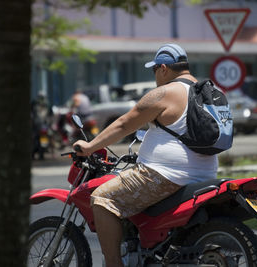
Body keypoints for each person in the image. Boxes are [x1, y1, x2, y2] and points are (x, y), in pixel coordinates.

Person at [73, 44, 218, 267]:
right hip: (206, 174)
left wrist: (90, 147)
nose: (155, 77)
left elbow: (123, 124)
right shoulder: (205, 90)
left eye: (154, 71)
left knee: (102, 199)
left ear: (163, 69)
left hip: (165, 174)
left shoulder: (165, 93)